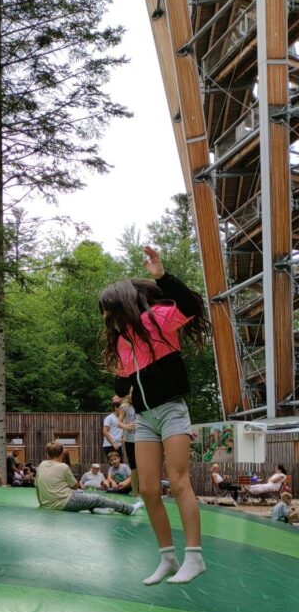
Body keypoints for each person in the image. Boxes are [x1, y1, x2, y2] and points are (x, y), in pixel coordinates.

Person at [99, 245, 207, 585]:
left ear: (122, 304)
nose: (106, 317)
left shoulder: (157, 321)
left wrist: (162, 276)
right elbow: (124, 381)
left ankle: (194, 557)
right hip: (145, 418)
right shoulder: (121, 342)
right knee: (147, 489)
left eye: (108, 310)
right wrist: (118, 389)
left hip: (172, 411)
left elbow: (191, 305)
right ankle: (167, 558)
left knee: (177, 482)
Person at [35, 440, 144, 517]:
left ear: (48, 454)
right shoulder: (63, 466)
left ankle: (96, 509)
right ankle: (129, 509)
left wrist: (42, 503)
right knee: (97, 498)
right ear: (61, 454)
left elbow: (37, 487)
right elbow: (75, 485)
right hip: (64, 502)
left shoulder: (41, 465)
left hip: (48, 503)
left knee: (82, 494)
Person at [117, 389, 139, 496]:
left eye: (134, 393)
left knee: (143, 466)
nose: (131, 395)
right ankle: (135, 494)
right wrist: (127, 426)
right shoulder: (125, 406)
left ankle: (145, 491)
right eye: (130, 393)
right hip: (130, 440)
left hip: (142, 439)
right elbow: (119, 423)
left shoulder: (143, 405)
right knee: (134, 467)